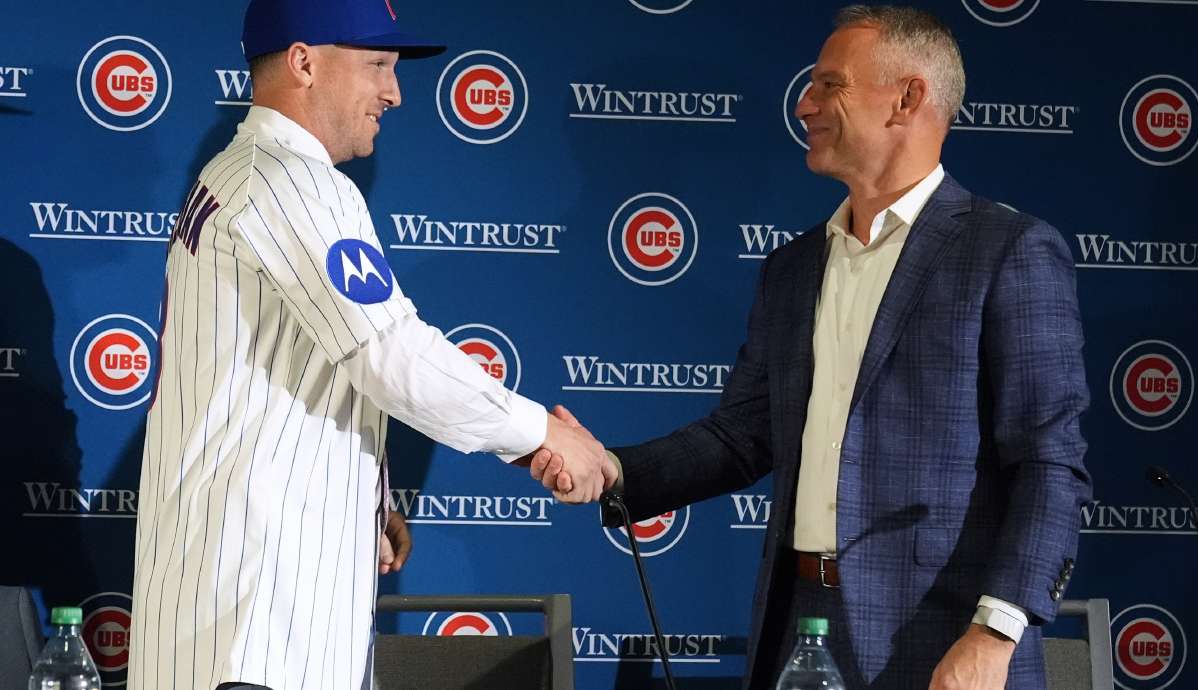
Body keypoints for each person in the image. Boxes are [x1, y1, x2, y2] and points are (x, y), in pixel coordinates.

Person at [534, 5, 1091, 689]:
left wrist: (994, 632)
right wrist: (613, 469)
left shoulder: (1007, 252)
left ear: (907, 98)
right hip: (799, 625)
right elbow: (741, 437)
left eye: (831, 85)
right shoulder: (794, 267)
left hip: (945, 640)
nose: (804, 103)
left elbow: (1048, 465)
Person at [127, 1, 612, 689]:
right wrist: (537, 435)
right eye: (377, 65)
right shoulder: (287, 178)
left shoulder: (244, 173)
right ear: (303, 62)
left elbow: (298, 365)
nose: (394, 91)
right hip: (256, 628)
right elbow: (385, 352)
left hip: (241, 616)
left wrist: (368, 497)